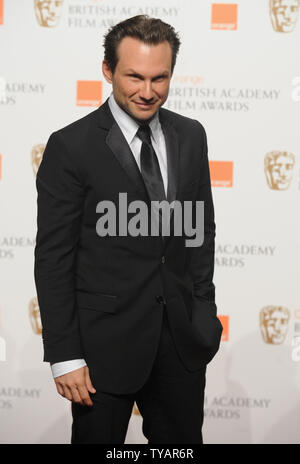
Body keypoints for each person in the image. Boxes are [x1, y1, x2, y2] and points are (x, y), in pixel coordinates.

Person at [34, 14, 222, 444]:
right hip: (103, 350)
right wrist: (65, 355)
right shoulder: (71, 146)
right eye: (134, 76)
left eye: (160, 78)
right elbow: (53, 258)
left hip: (181, 344)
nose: (148, 91)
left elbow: (200, 231)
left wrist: (204, 311)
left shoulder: (191, 136)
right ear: (107, 70)